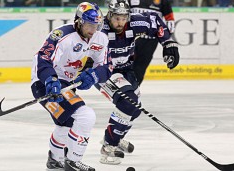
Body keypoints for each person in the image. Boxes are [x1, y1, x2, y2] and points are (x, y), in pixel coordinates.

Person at [97, 0, 180, 165]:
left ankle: (116, 136)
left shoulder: (135, 21)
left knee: (135, 110)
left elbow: (157, 22)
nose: (120, 22)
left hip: (127, 70)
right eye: (116, 18)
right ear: (109, 15)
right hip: (105, 71)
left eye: (123, 18)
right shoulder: (99, 28)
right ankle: (108, 145)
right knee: (129, 104)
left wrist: (169, 44)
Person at [30, 2, 111, 171]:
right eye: (89, 24)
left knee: (66, 124)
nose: (92, 30)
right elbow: (42, 59)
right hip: (44, 83)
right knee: (85, 116)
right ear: (79, 21)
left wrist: (95, 75)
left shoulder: (100, 38)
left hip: (67, 84)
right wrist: (50, 80)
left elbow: (106, 66)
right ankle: (73, 161)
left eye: (96, 25)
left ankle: (55, 159)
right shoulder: (62, 35)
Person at [128, 0, 176, 85]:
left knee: (140, 68)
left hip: (150, 41)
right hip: (131, 38)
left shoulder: (163, 2)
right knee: (125, 65)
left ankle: (133, 91)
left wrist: (166, 41)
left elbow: (170, 21)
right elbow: (123, 15)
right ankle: (122, 90)